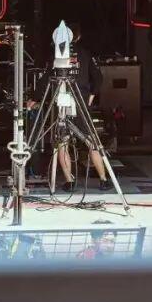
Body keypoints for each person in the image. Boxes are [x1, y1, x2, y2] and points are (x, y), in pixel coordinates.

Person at [57, 23, 113, 193]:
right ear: (79, 36)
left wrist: (35, 97)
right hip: (81, 100)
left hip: (62, 101)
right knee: (91, 141)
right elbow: (98, 78)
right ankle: (103, 180)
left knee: (62, 142)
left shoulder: (57, 53)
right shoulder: (85, 54)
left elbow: (47, 77)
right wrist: (92, 95)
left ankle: (69, 182)